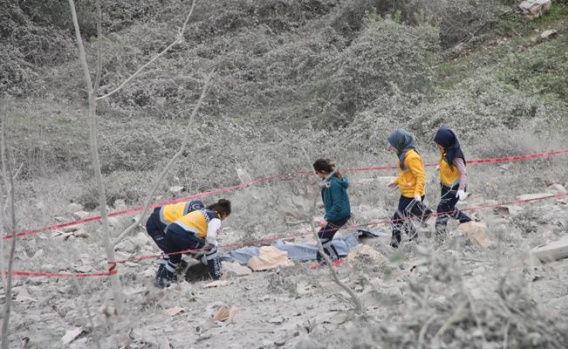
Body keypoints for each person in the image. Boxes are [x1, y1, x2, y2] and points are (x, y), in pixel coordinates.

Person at [155, 199, 231, 288]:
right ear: (224, 214)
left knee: (174, 259)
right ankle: (217, 277)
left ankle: (162, 282)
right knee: (211, 248)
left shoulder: (202, 211)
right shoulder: (216, 218)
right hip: (181, 234)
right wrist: (215, 244)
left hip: (171, 230)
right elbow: (210, 238)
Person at [386, 129, 432, 248]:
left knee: (397, 218)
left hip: (413, 194)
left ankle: (394, 245)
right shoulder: (403, 155)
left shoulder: (412, 157)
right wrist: (395, 182)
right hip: (406, 192)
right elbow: (406, 174)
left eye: (392, 145)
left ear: (399, 143)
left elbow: (420, 175)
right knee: (402, 217)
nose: (390, 148)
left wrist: (417, 193)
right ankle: (415, 239)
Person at [145, 199, 205, 279]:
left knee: (171, 252)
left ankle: (164, 275)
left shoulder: (198, 207)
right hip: (155, 226)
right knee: (173, 254)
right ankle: (162, 280)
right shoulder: (193, 220)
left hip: (160, 217)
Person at [312, 159, 351, 267]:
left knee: (323, 238)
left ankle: (336, 259)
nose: (315, 174)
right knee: (322, 236)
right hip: (336, 214)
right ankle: (320, 260)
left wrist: (327, 218)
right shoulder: (328, 180)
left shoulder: (333, 184)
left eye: (316, 172)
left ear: (323, 171)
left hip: (339, 215)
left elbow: (337, 204)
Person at [433, 127, 472, 236]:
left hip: (455, 187)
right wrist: (440, 166)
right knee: (447, 209)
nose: (437, 145)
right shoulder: (446, 150)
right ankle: (466, 220)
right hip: (446, 185)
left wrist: (461, 189)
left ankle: (440, 236)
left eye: (439, 143)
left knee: (442, 209)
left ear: (445, 142)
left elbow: (464, 173)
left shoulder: (456, 156)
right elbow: (445, 159)